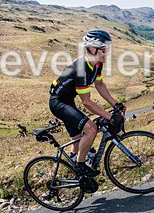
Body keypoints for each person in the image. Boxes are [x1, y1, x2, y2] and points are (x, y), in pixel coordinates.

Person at [48, 29, 125, 177]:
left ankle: (77, 179)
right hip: (58, 103)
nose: (106, 53)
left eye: (106, 50)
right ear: (92, 49)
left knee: (77, 141)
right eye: (103, 50)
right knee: (91, 129)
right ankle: (80, 165)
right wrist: (109, 116)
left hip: (68, 101)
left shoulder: (97, 65)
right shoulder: (81, 68)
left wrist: (115, 105)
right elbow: (87, 102)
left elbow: (100, 85)